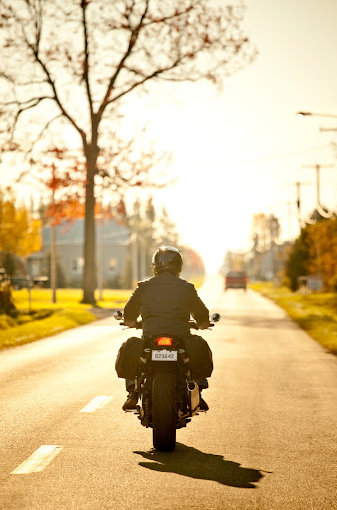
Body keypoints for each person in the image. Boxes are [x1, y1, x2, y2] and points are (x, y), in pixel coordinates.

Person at [122, 246, 212, 411]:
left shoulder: (143, 288)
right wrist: (203, 324)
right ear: (179, 266)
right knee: (199, 346)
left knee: (131, 348)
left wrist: (131, 322)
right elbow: (202, 316)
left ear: (155, 266)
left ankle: (132, 393)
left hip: (151, 337)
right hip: (181, 338)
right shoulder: (187, 288)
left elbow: (128, 315)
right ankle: (198, 391)